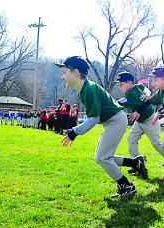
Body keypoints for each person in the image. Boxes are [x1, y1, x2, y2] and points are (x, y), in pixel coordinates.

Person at [56, 56, 147, 198]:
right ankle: (135, 162)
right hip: (113, 121)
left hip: (116, 121)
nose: (63, 76)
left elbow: (93, 119)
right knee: (103, 157)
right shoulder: (84, 90)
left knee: (102, 157)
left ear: (75, 72)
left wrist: (75, 131)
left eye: (64, 72)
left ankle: (126, 185)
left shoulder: (89, 89)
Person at [115, 71, 164, 178]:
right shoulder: (138, 86)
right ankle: (137, 164)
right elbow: (147, 92)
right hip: (139, 122)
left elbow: (118, 104)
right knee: (131, 139)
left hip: (149, 120)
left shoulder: (130, 95)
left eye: (121, 84)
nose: (120, 87)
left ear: (129, 83)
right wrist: (147, 95)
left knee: (157, 144)